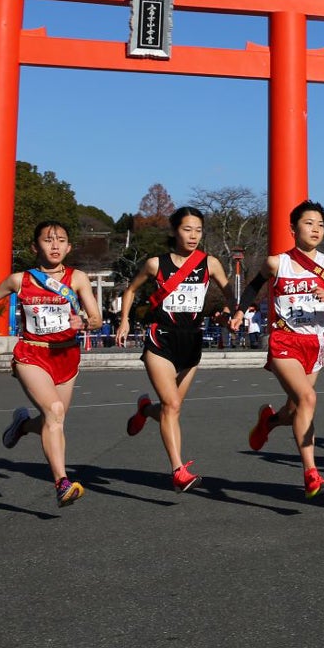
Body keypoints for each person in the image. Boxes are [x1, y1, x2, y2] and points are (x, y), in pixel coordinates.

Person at [0, 220, 103, 507]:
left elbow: (97, 319)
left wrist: (82, 321)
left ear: (69, 247)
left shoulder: (78, 278)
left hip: (66, 355)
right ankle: (62, 482)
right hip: (32, 354)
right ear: (35, 246)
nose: (55, 245)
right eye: (48, 240)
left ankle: (21, 426)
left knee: (53, 420)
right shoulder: (20, 280)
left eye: (60, 240)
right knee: (55, 411)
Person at [237, 200, 324, 499]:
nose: (316, 229)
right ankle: (311, 474)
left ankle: (269, 422)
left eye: (320, 224)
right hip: (284, 340)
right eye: (309, 223)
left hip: (313, 344)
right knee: (308, 398)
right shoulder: (277, 263)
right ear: (293, 228)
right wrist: (240, 311)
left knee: (296, 409)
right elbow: (253, 287)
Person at [117, 207, 237, 492]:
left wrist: (231, 311)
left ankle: (145, 411)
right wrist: (124, 321)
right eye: (187, 229)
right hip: (161, 340)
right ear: (174, 231)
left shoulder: (210, 263)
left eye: (198, 230)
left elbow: (229, 289)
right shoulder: (156, 264)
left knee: (173, 408)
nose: (193, 235)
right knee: (171, 405)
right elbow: (131, 290)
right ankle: (178, 470)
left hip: (192, 341)